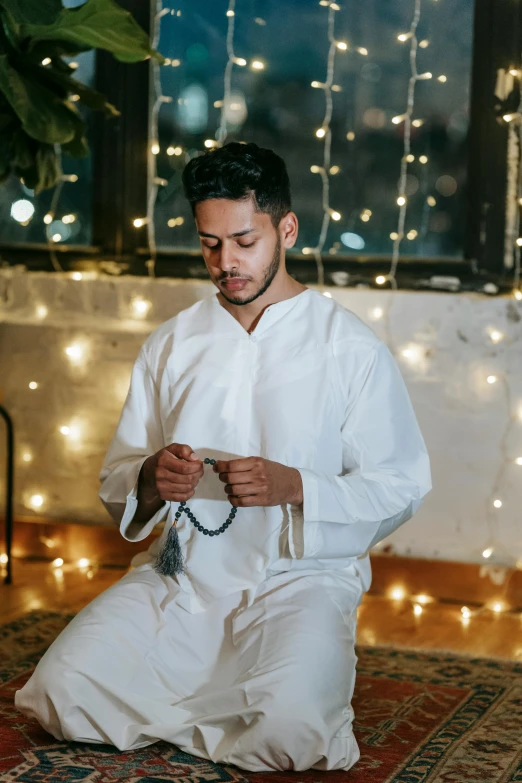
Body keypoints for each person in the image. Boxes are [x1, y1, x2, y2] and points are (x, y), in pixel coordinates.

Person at [15, 142, 432, 772]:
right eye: (210, 243)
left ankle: (256, 697)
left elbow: (402, 483)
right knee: (57, 697)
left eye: (244, 241)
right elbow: (120, 477)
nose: (226, 263)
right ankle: (209, 712)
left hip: (298, 579)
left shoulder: (349, 347)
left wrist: (299, 486)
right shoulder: (172, 343)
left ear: (285, 228)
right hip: (181, 579)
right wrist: (153, 476)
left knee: (289, 735)